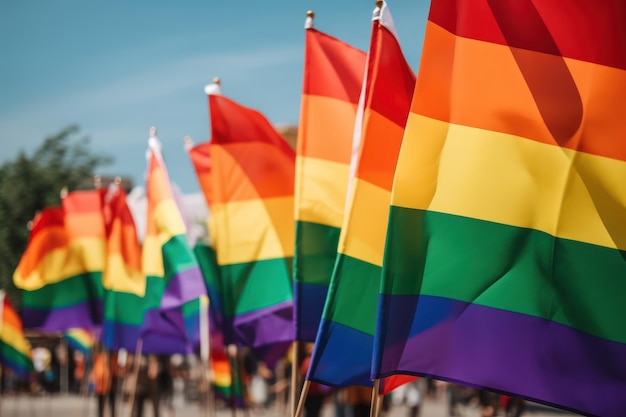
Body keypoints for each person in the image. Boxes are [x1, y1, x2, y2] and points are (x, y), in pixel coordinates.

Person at [91, 349, 115, 417]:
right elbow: (97, 372)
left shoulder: (112, 359)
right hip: (101, 385)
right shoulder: (99, 358)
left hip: (110, 385)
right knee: (101, 403)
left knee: (111, 403)